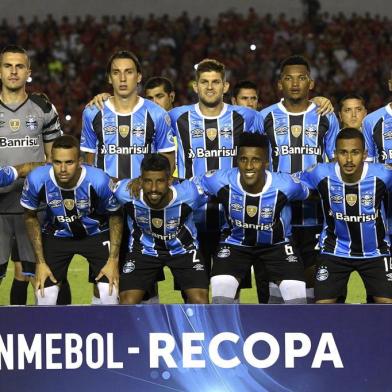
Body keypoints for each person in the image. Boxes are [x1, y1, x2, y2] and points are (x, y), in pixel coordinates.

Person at [81, 51, 176, 304]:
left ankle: (146, 336)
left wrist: (149, 188)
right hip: (105, 206)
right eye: (116, 72)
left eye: (129, 72)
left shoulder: (156, 114)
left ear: (139, 77)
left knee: (146, 276)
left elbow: (168, 161)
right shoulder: (92, 113)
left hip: (144, 206)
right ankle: (105, 332)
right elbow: (88, 164)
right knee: (103, 277)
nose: (123, 78)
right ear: (109, 78)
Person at [170, 58, 261, 301]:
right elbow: (143, 112)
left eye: (215, 82)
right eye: (204, 82)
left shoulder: (246, 118)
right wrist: (104, 98)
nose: (210, 87)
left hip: (232, 219)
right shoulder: (176, 117)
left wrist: (317, 102)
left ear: (226, 86)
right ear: (195, 86)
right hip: (190, 220)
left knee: (229, 293)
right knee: (193, 296)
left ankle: (230, 337)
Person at [258, 55, 340, 303]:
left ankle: (311, 329)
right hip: (277, 215)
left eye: (301, 78)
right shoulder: (265, 117)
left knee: (314, 277)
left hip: (316, 213)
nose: (295, 83)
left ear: (311, 83)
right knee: (278, 279)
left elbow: (335, 163)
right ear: (279, 83)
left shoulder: (326, 116)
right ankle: (276, 329)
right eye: (288, 78)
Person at [198, 132, 308, 304]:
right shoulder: (219, 180)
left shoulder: (286, 185)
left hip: (277, 245)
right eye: (243, 159)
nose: (249, 166)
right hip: (235, 243)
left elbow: (312, 192)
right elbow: (188, 187)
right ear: (237, 161)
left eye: (255, 160)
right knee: (221, 289)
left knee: (296, 296)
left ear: (266, 162)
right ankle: (229, 329)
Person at [0, 45, 70, 305]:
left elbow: (56, 159)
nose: (14, 71)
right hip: (0, 206)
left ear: (28, 71)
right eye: (8, 66)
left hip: (35, 206)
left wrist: (26, 169)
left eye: (19, 66)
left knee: (46, 272)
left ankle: (61, 329)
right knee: (16, 273)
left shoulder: (42, 107)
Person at [21, 135, 122, 305]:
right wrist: (40, 262)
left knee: (109, 293)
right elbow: (30, 217)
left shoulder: (98, 180)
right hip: (56, 235)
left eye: (69, 162)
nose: (62, 168)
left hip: (96, 234)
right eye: (57, 162)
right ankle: (52, 329)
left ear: (80, 161)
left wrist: (113, 260)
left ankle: (102, 329)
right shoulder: (36, 179)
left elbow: (116, 216)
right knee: (45, 296)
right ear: (50, 160)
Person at [299, 128, 392, 303]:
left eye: (355, 153)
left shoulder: (383, 174)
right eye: (343, 153)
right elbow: (290, 184)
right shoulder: (320, 173)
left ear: (365, 154)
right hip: (334, 250)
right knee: (323, 306)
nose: (349, 160)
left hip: (376, 252)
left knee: (387, 305)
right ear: (334, 154)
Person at [114, 154, 209, 304]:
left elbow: (209, 184)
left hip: (183, 250)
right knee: (127, 303)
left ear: (170, 181)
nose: (153, 188)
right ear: (141, 180)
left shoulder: (189, 194)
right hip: (143, 250)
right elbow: (107, 183)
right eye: (147, 181)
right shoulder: (126, 193)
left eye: (159, 181)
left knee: (200, 301)